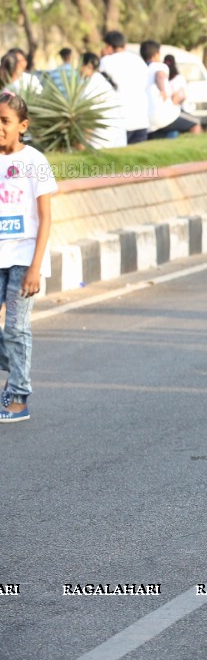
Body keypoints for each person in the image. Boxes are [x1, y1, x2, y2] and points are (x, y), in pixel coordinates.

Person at [0, 91, 56, 423]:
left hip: (23, 259)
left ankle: (18, 396)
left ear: (23, 125)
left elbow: (46, 217)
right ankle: (16, 365)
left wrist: (36, 267)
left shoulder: (34, 161)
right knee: (12, 336)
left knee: (16, 329)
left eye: (5, 121)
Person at [141, 41, 200, 139]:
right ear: (155, 55)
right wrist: (162, 90)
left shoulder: (141, 68)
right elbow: (159, 75)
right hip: (164, 114)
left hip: (147, 119)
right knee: (195, 123)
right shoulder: (158, 65)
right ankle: (196, 149)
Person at [99, 31, 150, 144]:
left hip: (120, 119)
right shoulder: (138, 60)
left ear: (108, 47)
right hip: (140, 117)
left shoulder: (106, 61)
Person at [79, 53, 126, 149]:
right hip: (116, 135)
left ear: (89, 67)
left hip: (102, 138)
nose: (77, 70)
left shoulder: (92, 84)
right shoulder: (100, 79)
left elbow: (89, 117)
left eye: (80, 66)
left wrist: (82, 144)